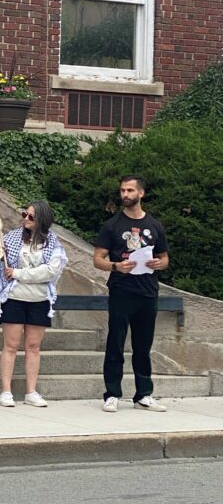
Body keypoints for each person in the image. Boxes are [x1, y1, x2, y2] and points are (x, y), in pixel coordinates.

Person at [93, 175, 170, 413]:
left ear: (141, 193)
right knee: (116, 342)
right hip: (121, 290)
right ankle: (112, 393)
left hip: (147, 292)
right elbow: (97, 259)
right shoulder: (112, 225)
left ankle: (143, 394)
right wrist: (116, 266)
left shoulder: (155, 225)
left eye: (129, 191)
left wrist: (159, 264)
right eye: (122, 191)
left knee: (143, 345)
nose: (125, 195)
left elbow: (165, 258)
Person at [0, 200, 68, 409]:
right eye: (25, 214)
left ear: (42, 220)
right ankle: (6, 391)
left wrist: (19, 273)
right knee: (10, 345)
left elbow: (50, 271)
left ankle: (31, 391)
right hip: (14, 298)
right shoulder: (11, 238)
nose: (26, 218)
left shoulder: (53, 243)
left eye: (31, 216)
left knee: (33, 346)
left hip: (40, 299)